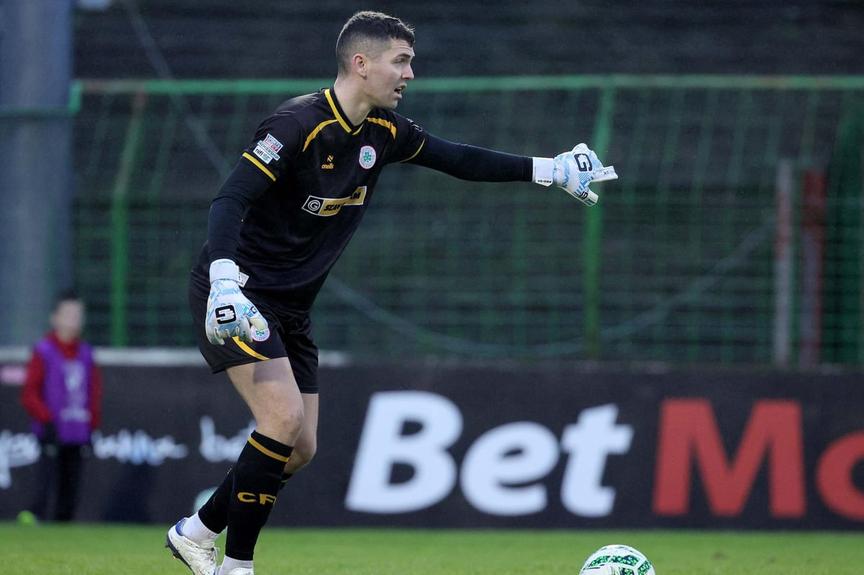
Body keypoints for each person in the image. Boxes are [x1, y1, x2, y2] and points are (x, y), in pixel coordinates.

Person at [165, 10, 616, 575]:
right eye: (400, 61)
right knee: (280, 421)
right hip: (238, 294)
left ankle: (196, 531)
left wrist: (551, 169)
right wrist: (225, 280)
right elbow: (231, 198)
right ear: (361, 63)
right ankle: (236, 567)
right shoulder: (296, 124)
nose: (409, 74)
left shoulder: (385, 131)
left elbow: (459, 158)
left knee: (299, 449)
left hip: (292, 307)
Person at [20, 290, 102, 522]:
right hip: (52, 431)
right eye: (68, 314)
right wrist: (45, 420)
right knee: (45, 482)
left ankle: (63, 525)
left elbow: (93, 392)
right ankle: (34, 519)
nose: (73, 320)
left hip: (78, 432)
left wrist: (92, 426)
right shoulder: (44, 351)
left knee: (70, 490)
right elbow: (29, 392)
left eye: (78, 315)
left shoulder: (86, 353)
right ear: (54, 318)